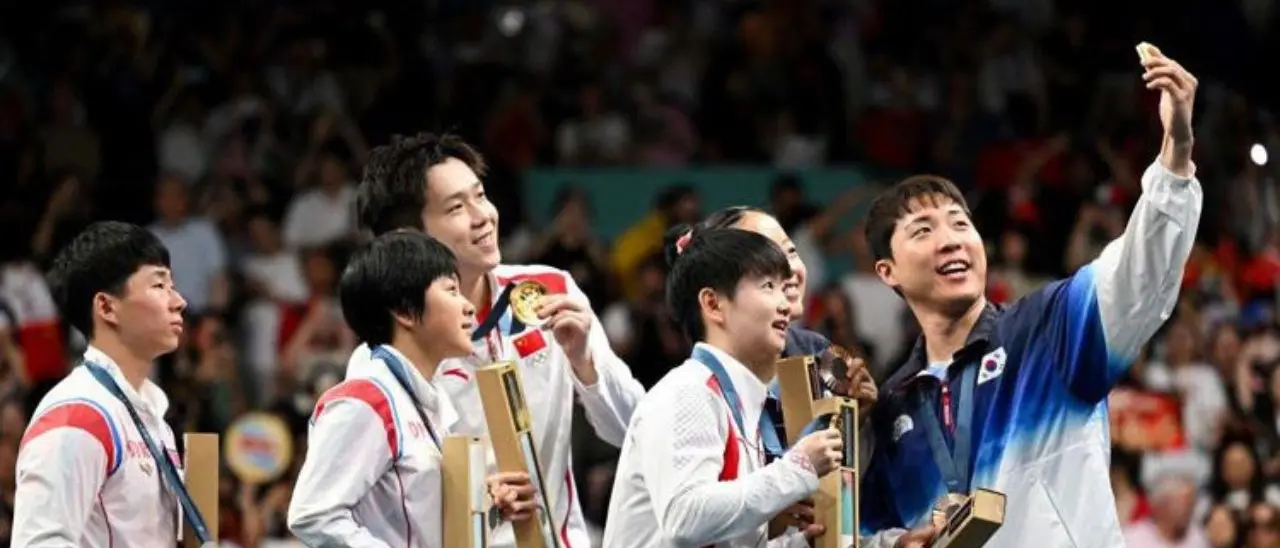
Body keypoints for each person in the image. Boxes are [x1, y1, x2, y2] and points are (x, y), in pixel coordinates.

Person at [857, 47, 1202, 546]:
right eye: (923, 230)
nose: (952, 238)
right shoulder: (892, 408)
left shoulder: (1047, 329)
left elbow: (1137, 278)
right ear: (887, 271)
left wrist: (1174, 159)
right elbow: (863, 533)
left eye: (961, 223)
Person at [354, 132, 646, 546]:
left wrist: (585, 363)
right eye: (456, 207)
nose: (483, 216)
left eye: (480, 195)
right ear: (408, 234)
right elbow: (377, 498)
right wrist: (482, 499)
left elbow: (632, 431)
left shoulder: (549, 289)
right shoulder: (386, 351)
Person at [288, 230, 538, 546]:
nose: (468, 308)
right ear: (405, 311)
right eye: (451, 291)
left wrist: (490, 504)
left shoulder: (429, 402)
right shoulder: (366, 401)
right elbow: (313, 515)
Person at [602, 227, 844, 547]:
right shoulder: (689, 392)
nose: (785, 303)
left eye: (784, 287)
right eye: (768, 286)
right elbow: (684, 518)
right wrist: (797, 468)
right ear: (714, 304)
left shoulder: (742, 408)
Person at [12, 221, 202, 546]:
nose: (178, 300)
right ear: (106, 306)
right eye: (159, 286)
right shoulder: (78, 415)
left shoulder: (151, 415)